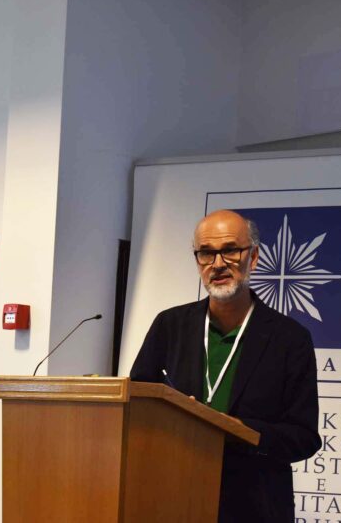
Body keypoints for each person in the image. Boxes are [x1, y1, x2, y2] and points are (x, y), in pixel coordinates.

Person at [131, 209, 321, 522]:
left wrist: (237, 429)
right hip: (173, 498)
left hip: (254, 506)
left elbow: (304, 437)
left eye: (231, 250)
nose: (218, 264)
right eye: (206, 253)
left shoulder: (290, 338)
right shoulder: (170, 325)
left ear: (254, 257)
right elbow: (139, 406)